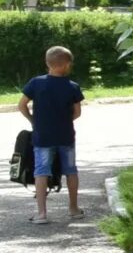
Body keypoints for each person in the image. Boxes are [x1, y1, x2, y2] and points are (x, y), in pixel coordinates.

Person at [19, 46, 87, 224]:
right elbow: (77, 113)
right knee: (71, 171)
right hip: (66, 136)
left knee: (41, 172)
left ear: (47, 63)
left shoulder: (36, 83)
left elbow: (22, 105)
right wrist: (64, 120)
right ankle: (73, 209)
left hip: (42, 137)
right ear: (67, 65)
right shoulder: (73, 87)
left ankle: (41, 213)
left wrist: (33, 120)